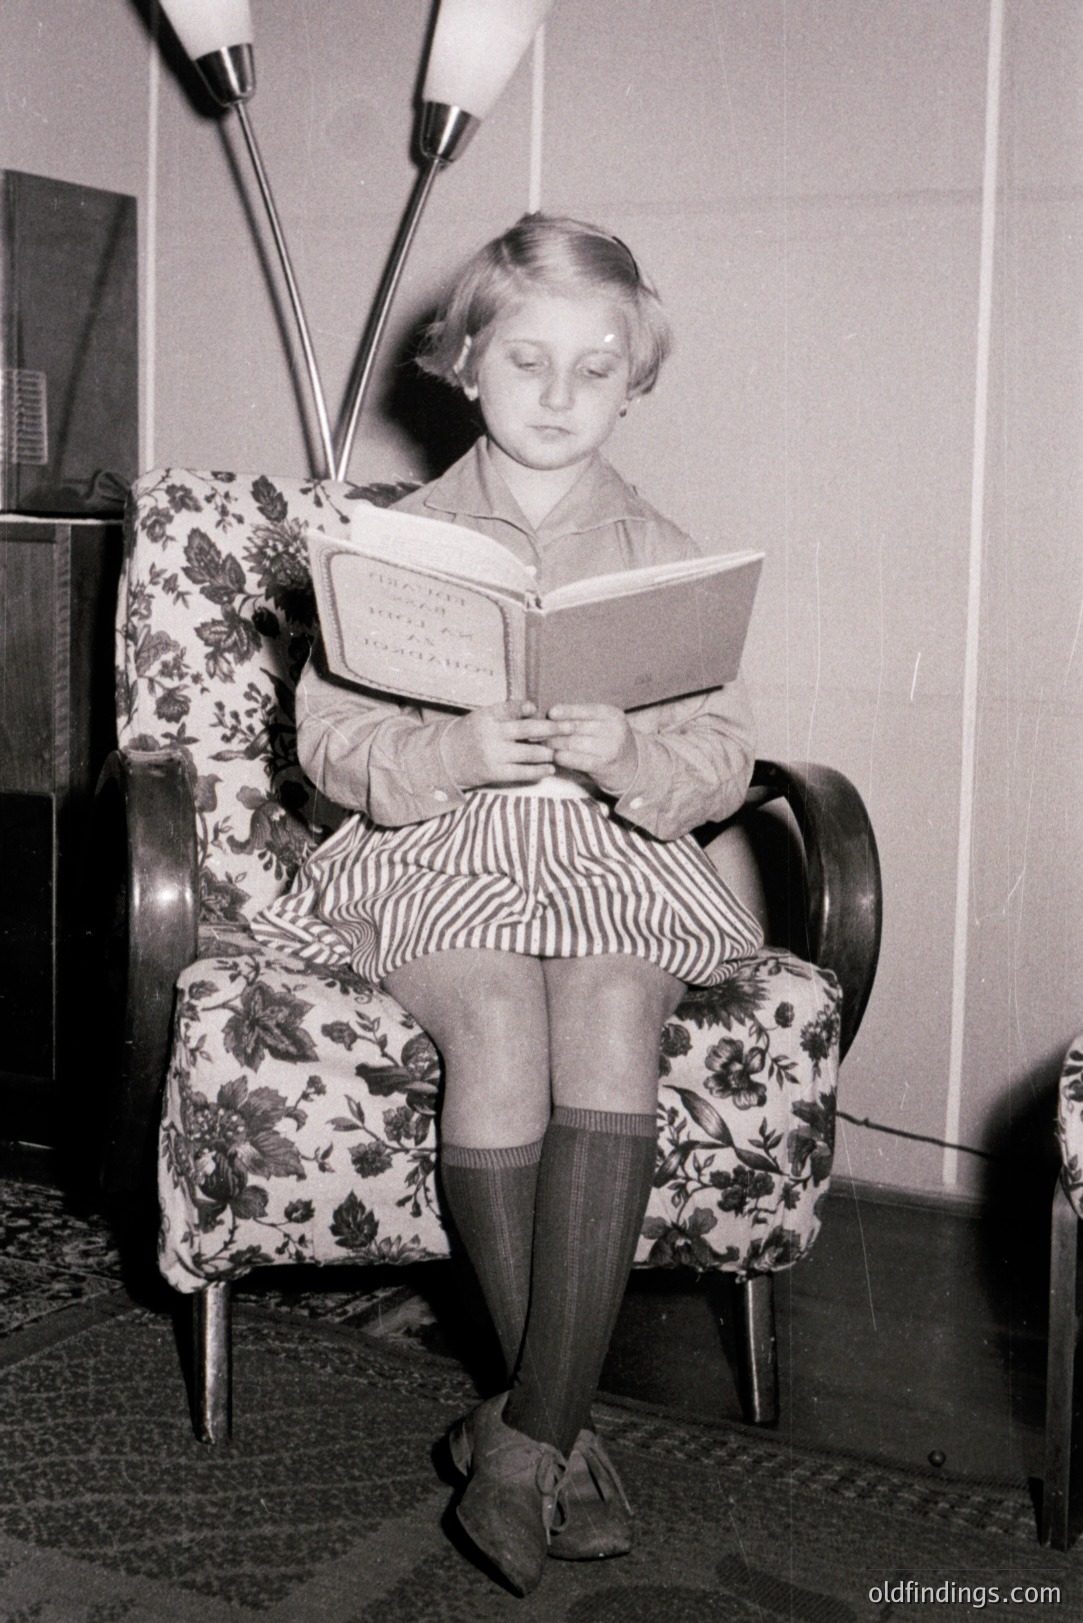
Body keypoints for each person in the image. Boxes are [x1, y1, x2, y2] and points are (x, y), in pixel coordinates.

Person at [253, 213, 763, 1597]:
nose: (558, 393)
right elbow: (330, 746)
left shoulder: (664, 547)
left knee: (605, 1003)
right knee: (494, 1021)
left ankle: (522, 1437)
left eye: (595, 368)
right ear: (464, 362)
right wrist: (450, 751)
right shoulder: (393, 537)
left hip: (608, 847)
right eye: (526, 359)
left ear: (634, 380)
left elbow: (723, 753)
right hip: (440, 840)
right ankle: (560, 1426)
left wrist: (628, 754)